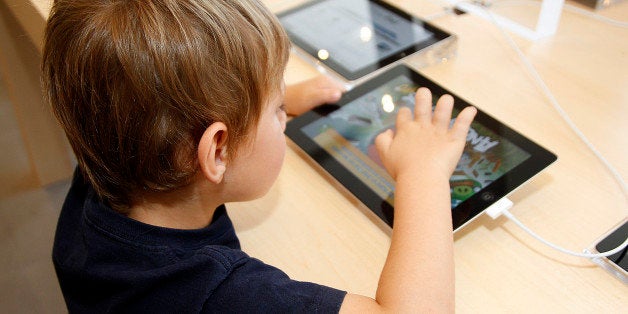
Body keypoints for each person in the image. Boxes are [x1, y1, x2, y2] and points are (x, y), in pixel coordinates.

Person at [42, 0, 476, 313]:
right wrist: (424, 173)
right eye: (275, 111)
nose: (283, 115)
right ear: (216, 150)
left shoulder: (110, 154)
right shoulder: (219, 294)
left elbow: (151, 97)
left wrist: (268, 100)